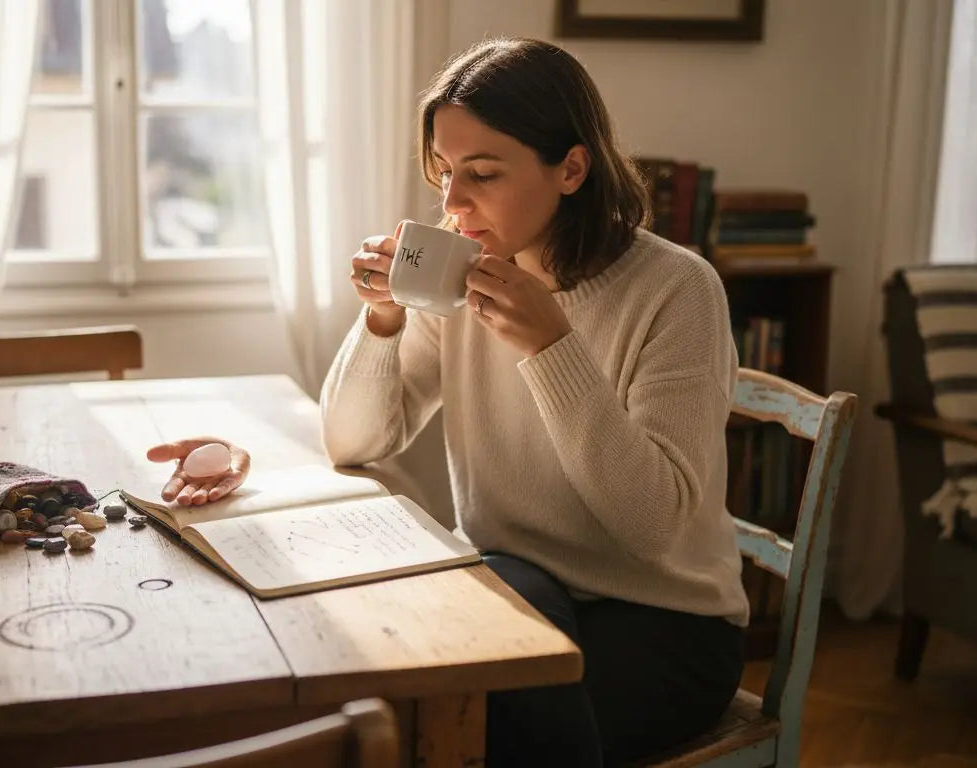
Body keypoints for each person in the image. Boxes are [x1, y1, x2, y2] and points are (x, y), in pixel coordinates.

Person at [319, 37, 749, 767]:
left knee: (472, 729)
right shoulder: (459, 269)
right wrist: (385, 318)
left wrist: (553, 349)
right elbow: (352, 442)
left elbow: (648, 529)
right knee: (405, 682)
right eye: (446, 173)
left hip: (664, 623)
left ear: (572, 169)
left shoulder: (678, 290)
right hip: (515, 585)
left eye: (482, 174)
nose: (453, 205)